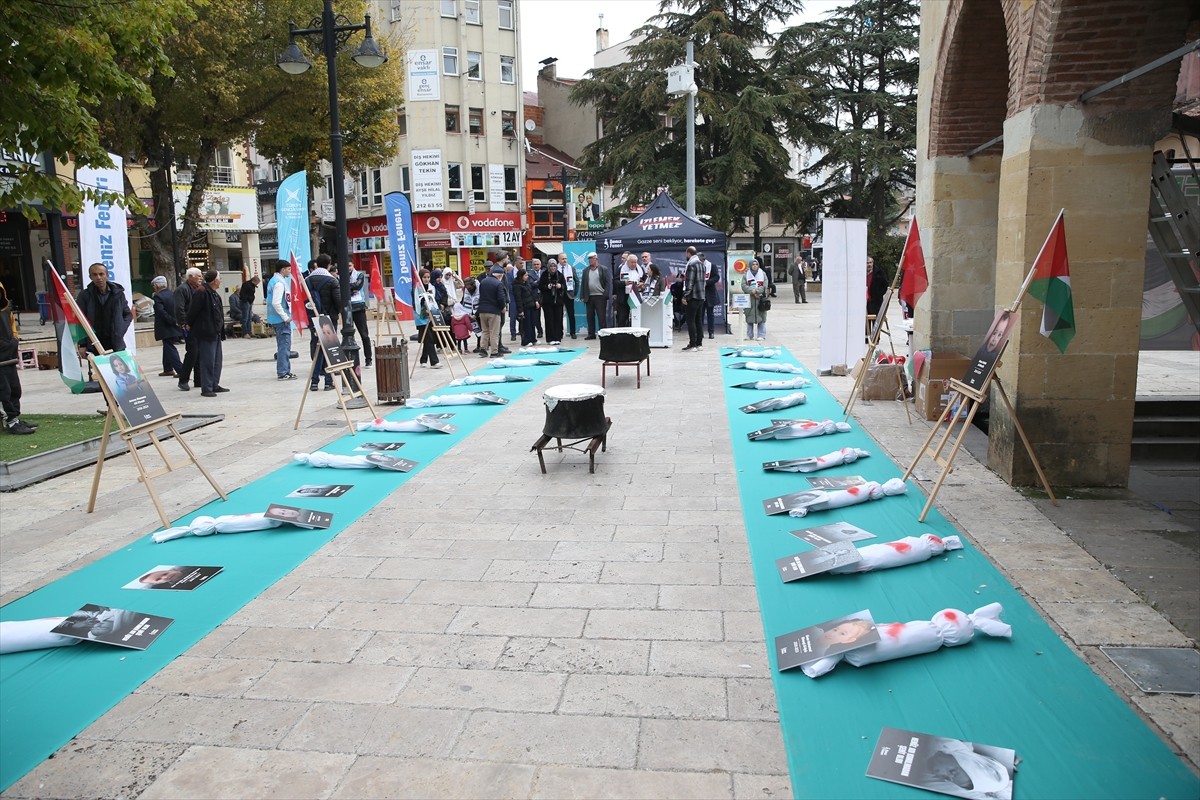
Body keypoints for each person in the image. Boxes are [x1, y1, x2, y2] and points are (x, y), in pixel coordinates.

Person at [0, 280, 35, 435]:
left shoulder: (6, 311)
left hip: (9, 357)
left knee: (15, 389)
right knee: (3, 392)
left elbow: (13, 330)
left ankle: (16, 418)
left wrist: (14, 340)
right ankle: (11, 421)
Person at [76, 262, 133, 355]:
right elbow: (79, 320)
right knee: (98, 369)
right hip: (94, 343)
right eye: (94, 275)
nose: (98, 277)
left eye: (101, 274)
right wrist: (82, 344)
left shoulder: (118, 294)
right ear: (90, 277)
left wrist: (120, 329)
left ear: (107, 275)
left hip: (115, 342)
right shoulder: (85, 295)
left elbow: (127, 314)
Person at [187, 270, 227, 397]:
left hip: (215, 331)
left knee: (217, 361)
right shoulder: (202, 292)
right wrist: (189, 324)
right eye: (220, 278)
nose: (221, 281)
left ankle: (214, 384)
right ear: (214, 280)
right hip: (206, 332)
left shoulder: (214, 294)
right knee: (208, 361)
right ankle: (207, 387)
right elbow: (193, 311)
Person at [305, 256, 341, 391]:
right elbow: (338, 301)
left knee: (317, 350)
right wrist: (337, 312)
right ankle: (328, 381)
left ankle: (314, 382)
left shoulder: (307, 281)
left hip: (314, 319)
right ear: (328, 265)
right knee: (330, 349)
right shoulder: (332, 281)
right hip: (329, 319)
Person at [266, 260, 297, 380]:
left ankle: (285, 371)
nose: (290, 271)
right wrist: (286, 317)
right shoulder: (279, 283)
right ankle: (283, 372)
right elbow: (276, 302)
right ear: (282, 269)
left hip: (276, 319)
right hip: (281, 320)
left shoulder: (274, 281)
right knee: (284, 346)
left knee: (283, 346)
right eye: (288, 269)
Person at [174, 268, 204, 390]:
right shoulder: (182, 289)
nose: (200, 278)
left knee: (199, 352)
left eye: (201, 276)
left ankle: (199, 379)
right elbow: (179, 308)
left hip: (199, 325)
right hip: (189, 325)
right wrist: (183, 323)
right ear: (190, 277)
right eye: (198, 276)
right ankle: (183, 379)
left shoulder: (198, 289)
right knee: (192, 352)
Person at [151, 276, 183, 378]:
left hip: (166, 326)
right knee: (167, 346)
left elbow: (160, 312)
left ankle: (181, 370)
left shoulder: (158, 296)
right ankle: (168, 369)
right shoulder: (172, 294)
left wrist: (171, 321)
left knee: (169, 348)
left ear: (156, 286)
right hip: (173, 324)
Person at [413, 269, 442, 369]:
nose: (426, 279)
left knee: (428, 337)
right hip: (421, 316)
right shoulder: (416, 288)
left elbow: (434, 300)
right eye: (424, 277)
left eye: (428, 277)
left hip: (430, 315)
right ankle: (434, 362)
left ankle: (423, 359)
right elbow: (416, 303)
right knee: (428, 337)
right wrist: (424, 308)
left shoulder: (431, 287)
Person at [477, 265, 507, 358]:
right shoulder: (498, 283)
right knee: (494, 332)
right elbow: (501, 298)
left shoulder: (483, 281)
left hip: (482, 310)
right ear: (500, 275)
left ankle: (483, 349)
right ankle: (494, 352)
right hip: (493, 311)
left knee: (485, 331)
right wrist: (503, 307)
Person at [347, 264, 373, 367]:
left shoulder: (359, 275)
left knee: (364, 334)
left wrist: (348, 288)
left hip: (358, 306)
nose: (348, 267)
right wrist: (351, 288)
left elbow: (357, 286)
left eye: (349, 265)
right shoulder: (341, 275)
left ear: (353, 265)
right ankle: (351, 359)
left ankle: (368, 358)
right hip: (348, 307)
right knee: (348, 335)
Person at [580, 252, 610, 339]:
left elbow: (608, 283)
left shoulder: (603, 269)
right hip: (589, 297)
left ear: (596, 259)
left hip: (600, 296)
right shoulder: (586, 270)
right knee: (590, 316)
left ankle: (603, 334)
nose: (590, 260)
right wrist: (582, 295)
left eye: (591, 258)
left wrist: (605, 294)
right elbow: (583, 284)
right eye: (589, 258)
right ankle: (591, 334)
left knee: (601, 317)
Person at [681, 246, 706, 351]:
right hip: (701, 296)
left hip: (693, 296)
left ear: (688, 253)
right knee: (698, 320)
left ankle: (693, 344)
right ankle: (699, 343)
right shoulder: (702, 265)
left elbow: (690, 283)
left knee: (690, 320)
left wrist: (685, 295)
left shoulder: (691, 265)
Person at [538, 259, 566, 345]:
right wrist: (547, 286)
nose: (553, 268)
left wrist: (560, 286)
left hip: (558, 301)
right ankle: (550, 338)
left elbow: (565, 286)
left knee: (558, 319)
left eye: (554, 266)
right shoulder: (544, 275)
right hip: (547, 302)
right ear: (548, 266)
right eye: (551, 266)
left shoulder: (560, 275)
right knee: (549, 320)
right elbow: (540, 286)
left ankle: (557, 337)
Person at [513, 268, 539, 346]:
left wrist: (535, 301)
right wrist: (520, 310)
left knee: (532, 323)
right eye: (525, 275)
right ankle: (526, 340)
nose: (527, 276)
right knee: (526, 324)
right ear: (521, 276)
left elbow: (531, 293)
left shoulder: (526, 283)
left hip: (531, 305)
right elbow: (518, 299)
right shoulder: (517, 285)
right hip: (525, 307)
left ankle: (533, 339)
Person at [558, 253, 578, 339]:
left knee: (571, 314)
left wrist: (575, 293)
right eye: (562, 259)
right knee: (559, 314)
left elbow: (576, 281)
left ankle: (573, 332)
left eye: (565, 258)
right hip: (559, 294)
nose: (564, 260)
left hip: (569, 293)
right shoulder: (555, 268)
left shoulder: (571, 268)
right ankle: (560, 332)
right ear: (559, 259)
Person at [461, 276, 482, 353]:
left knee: (481, 329)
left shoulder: (480, 288)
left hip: (479, 312)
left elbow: (482, 302)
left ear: (473, 285)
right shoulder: (466, 289)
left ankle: (480, 345)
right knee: (476, 329)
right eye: (467, 288)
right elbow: (463, 299)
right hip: (470, 312)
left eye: (470, 288)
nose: (468, 289)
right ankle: (479, 345)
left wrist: (476, 314)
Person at [702, 253, 720, 339]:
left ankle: (711, 332)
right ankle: (700, 332)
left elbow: (716, 277)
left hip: (710, 293)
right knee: (700, 314)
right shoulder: (696, 266)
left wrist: (707, 282)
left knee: (710, 314)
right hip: (700, 293)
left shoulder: (712, 266)